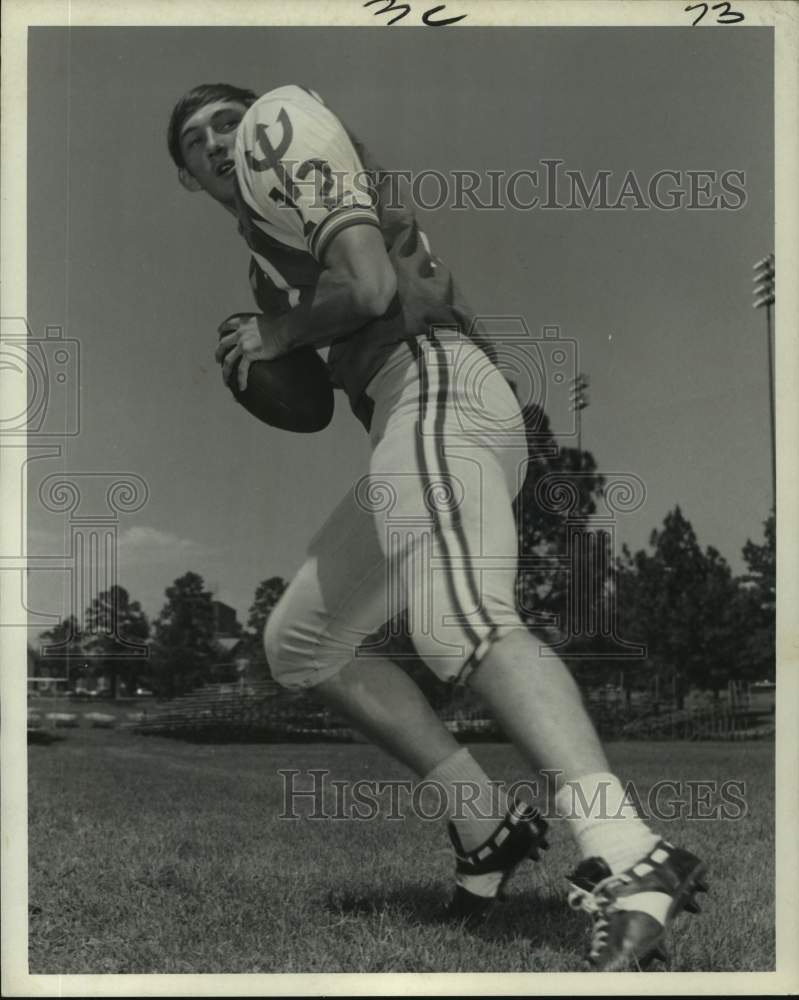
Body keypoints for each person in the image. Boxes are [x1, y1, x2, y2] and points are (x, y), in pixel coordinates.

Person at [166, 81, 707, 971]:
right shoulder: (258, 244)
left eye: (228, 120)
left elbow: (373, 286)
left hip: (433, 383)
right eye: (196, 140)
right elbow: (314, 372)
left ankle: (628, 851)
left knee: (456, 618)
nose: (222, 140)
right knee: (301, 640)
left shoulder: (283, 133)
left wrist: (280, 333)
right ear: (187, 177)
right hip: (405, 417)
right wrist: (282, 335)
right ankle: (484, 822)